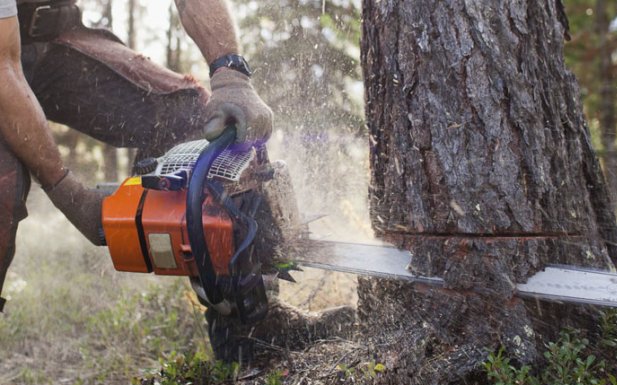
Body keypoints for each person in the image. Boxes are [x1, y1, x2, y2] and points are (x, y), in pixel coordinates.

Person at [0, 0, 353, 361]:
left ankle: (250, 324)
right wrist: (66, 190)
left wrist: (230, 74)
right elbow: (4, 68)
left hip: (48, 36)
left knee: (186, 113)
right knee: (3, 186)